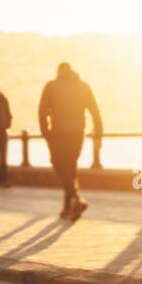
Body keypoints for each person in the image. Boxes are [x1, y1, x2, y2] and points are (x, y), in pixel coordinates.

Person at [38, 63, 102, 220]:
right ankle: (68, 207)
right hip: (77, 133)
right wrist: (99, 134)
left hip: (58, 134)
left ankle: (76, 200)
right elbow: (95, 111)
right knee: (71, 167)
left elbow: (42, 112)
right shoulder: (83, 86)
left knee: (59, 164)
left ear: (59, 71)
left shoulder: (51, 86)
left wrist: (46, 133)